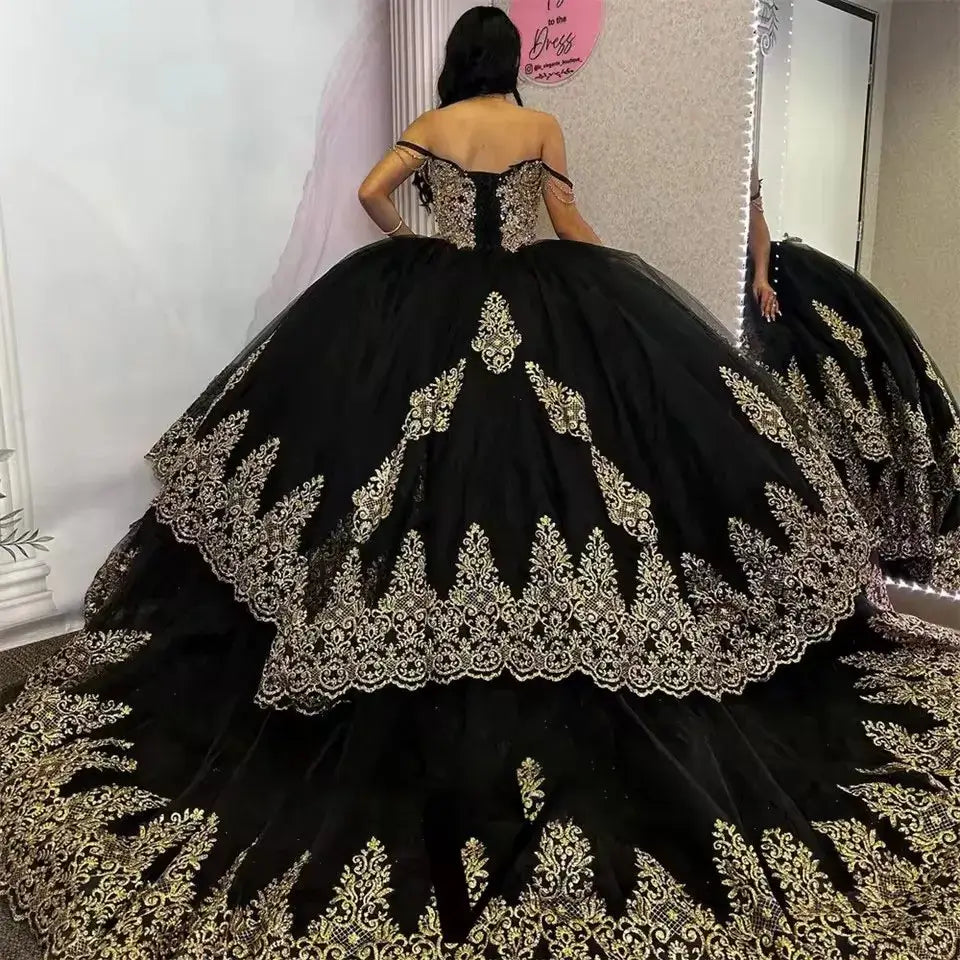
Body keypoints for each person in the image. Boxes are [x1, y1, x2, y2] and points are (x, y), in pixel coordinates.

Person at [2, 8, 960, 956]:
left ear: (458, 59)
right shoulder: (538, 125)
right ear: (511, 61)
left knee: (407, 483)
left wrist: (414, 241)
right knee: (561, 483)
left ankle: (411, 646)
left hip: (437, 299)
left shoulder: (432, 126)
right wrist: (608, 282)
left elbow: (372, 194)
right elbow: (566, 219)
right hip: (539, 301)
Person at [746, 166, 960, 593]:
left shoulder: (739, 155)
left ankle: (877, 534)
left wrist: (761, 277)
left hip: (774, 279)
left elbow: (756, 221)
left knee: (853, 371)